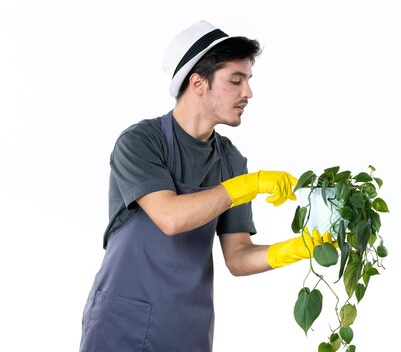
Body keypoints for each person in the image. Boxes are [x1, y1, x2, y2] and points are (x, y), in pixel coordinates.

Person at [79, 20, 333, 352]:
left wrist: (298, 248)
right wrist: (248, 186)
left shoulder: (230, 161)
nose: (248, 93)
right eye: (235, 80)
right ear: (198, 82)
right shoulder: (141, 142)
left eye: (248, 80)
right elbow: (170, 217)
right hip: (121, 325)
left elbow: (238, 257)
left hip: (188, 330)